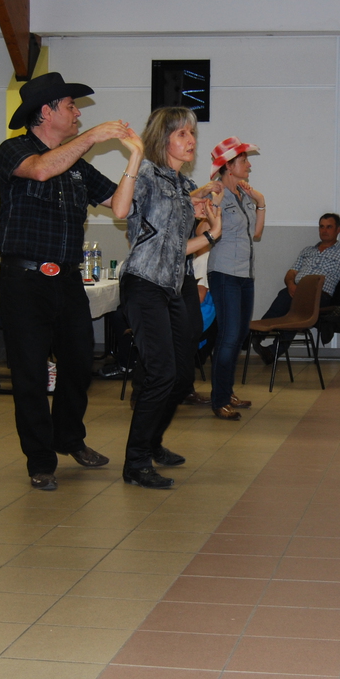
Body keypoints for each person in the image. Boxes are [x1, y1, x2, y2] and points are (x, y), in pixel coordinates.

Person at [0, 72, 141, 491]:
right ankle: (40, 460)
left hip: (67, 280)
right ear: (46, 112)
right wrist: (94, 136)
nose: (78, 114)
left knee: (79, 363)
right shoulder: (14, 150)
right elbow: (41, 171)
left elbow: (120, 205)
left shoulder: (78, 167)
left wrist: (135, 158)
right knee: (30, 373)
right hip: (25, 279)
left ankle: (69, 438)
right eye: (71, 106)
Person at [118, 106, 223, 489]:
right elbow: (121, 209)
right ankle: (135, 463)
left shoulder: (182, 185)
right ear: (163, 139)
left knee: (180, 375)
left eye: (192, 133)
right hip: (143, 282)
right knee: (162, 372)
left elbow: (177, 248)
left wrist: (211, 233)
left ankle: (152, 442)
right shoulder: (146, 174)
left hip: (171, 285)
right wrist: (134, 156)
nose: (191, 140)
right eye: (181, 133)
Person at [205, 137, 265, 420]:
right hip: (224, 273)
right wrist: (214, 207)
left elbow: (256, 233)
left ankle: (227, 392)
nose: (249, 165)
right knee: (228, 336)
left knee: (239, 335)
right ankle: (219, 400)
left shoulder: (243, 194)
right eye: (243, 160)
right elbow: (204, 230)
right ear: (228, 166)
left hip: (244, 275)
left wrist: (260, 202)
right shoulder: (215, 194)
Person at [253, 212, 340, 364]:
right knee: (284, 295)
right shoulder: (307, 251)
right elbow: (291, 273)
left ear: (338, 230)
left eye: (329, 227)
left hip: (320, 296)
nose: (324, 230)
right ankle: (259, 337)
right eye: (321, 227)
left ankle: (262, 341)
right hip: (297, 291)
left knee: (295, 308)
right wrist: (291, 284)